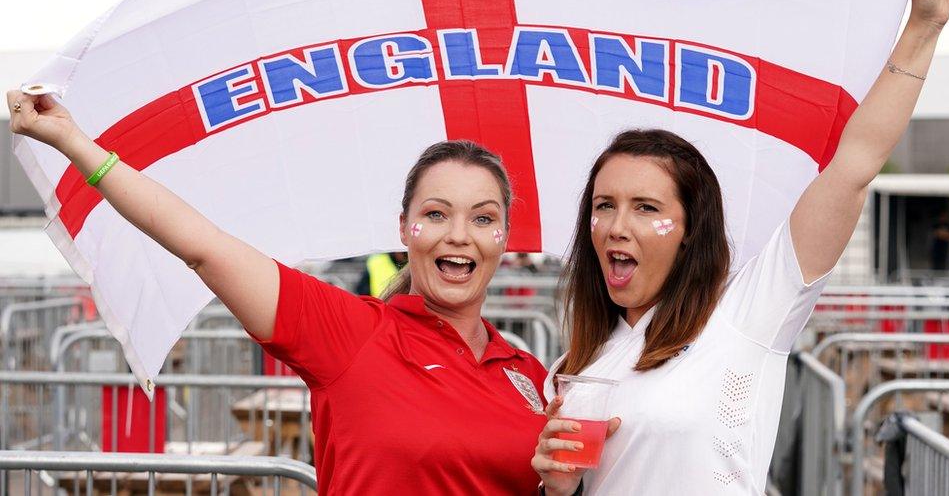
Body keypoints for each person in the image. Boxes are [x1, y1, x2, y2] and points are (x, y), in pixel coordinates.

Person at [532, 0, 949, 495]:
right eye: (603, 205)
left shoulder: (744, 315)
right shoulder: (572, 368)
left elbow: (854, 165)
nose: (617, 225)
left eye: (647, 208)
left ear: (691, 229)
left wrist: (925, 25)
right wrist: (556, 487)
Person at [4, 92, 549, 493]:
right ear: (405, 228)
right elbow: (205, 246)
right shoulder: (352, 333)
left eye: (483, 218)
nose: (459, 234)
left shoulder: (532, 375)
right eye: (436, 214)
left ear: (504, 238)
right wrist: (74, 142)